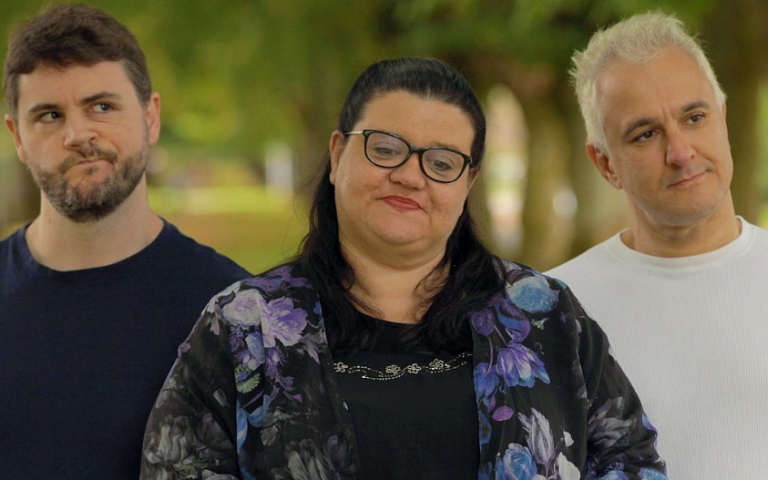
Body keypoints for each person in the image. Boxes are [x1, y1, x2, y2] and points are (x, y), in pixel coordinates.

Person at [141, 57, 667, 480]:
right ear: (337, 154)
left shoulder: (544, 315)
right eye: (386, 149)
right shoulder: (244, 325)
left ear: (468, 182)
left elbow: (631, 459)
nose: (411, 176)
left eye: (441, 162)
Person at [0, 4, 249, 478]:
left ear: (150, 117)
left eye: (102, 106)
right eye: (49, 115)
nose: (78, 134)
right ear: (17, 138)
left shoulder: (234, 312)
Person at [547, 12, 768, 480]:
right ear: (605, 164)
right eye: (646, 134)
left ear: (724, 120)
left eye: (694, 117)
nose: (680, 152)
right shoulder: (553, 312)